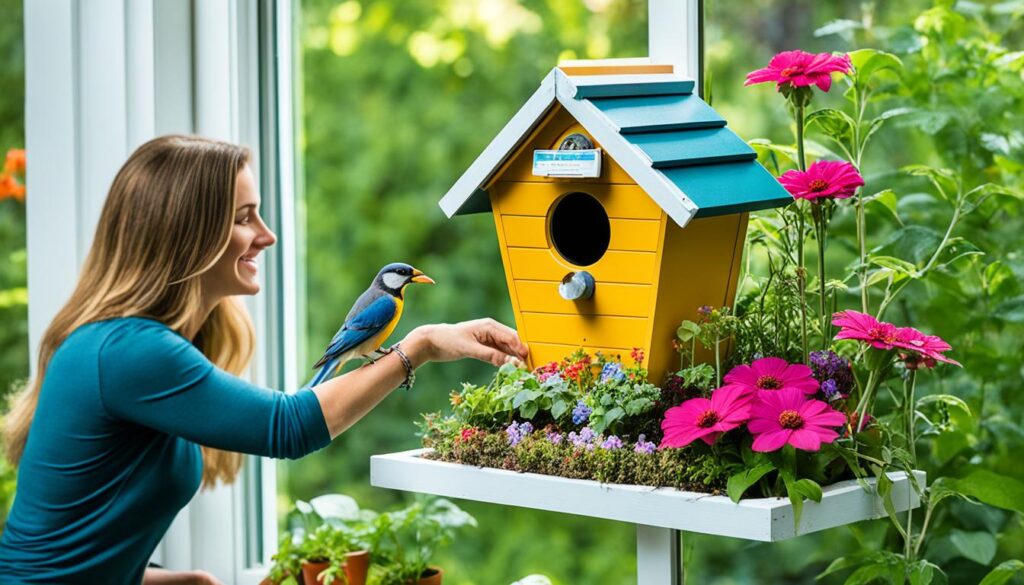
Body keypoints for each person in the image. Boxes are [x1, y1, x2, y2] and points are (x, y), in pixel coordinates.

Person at [0, 135, 528, 584]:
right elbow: (290, 426)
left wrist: (157, 577)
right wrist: (422, 345)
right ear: (187, 234)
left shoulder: (128, 347)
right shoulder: (129, 352)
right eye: (243, 218)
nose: (267, 235)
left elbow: (72, 536)